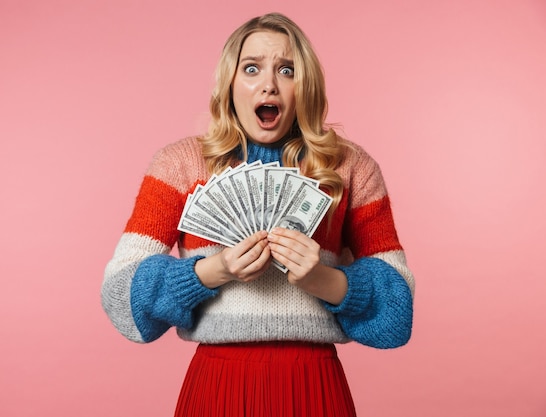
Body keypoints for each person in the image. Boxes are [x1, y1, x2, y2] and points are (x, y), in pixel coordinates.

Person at [101, 12, 415, 417]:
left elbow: (398, 315)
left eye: (287, 70)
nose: (269, 83)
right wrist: (208, 273)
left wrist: (325, 280)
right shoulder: (180, 165)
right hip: (217, 386)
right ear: (231, 84)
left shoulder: (350, 167)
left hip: (313, 385)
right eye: (252, 68)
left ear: (307, 87)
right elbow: (120, 299)